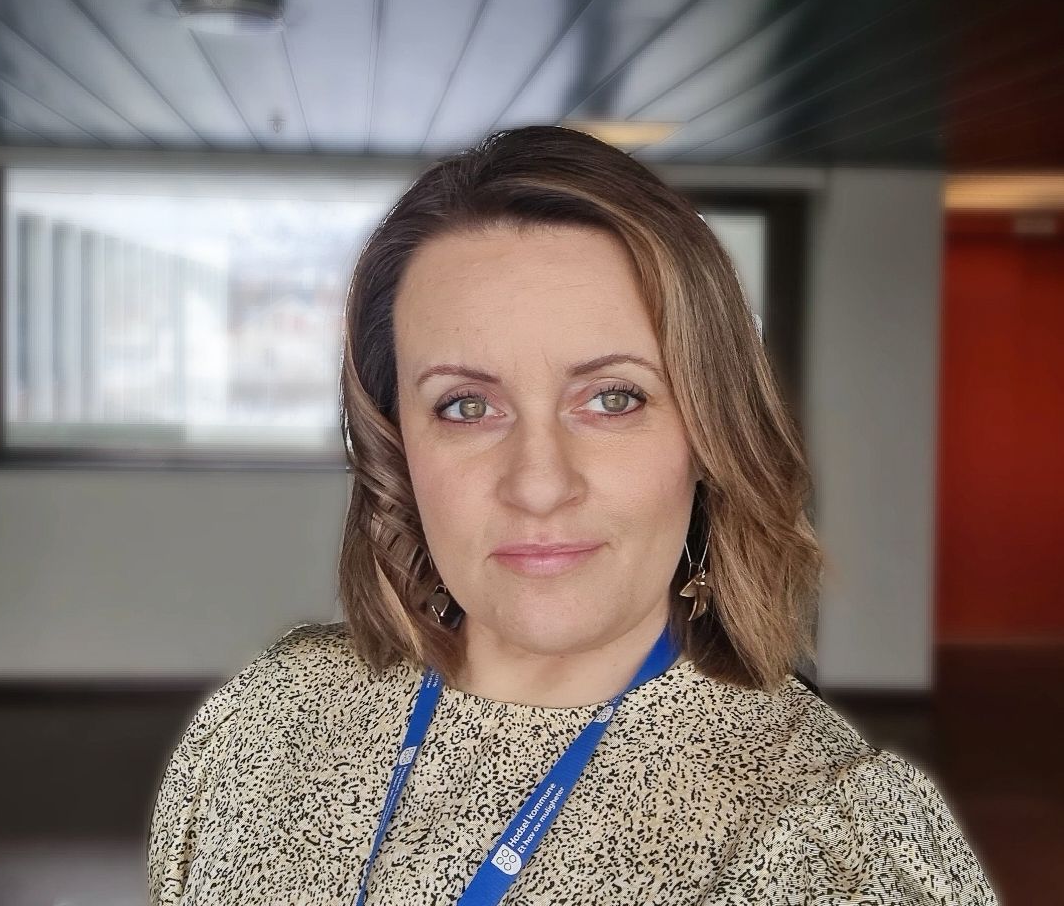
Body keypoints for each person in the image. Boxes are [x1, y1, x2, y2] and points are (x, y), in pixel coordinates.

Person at [148, 125, 998, 905]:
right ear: (394, 445)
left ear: (709, 434)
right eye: (466, 406)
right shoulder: (263, 725)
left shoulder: (830, 840)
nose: (539, 484)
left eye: (613, 398)